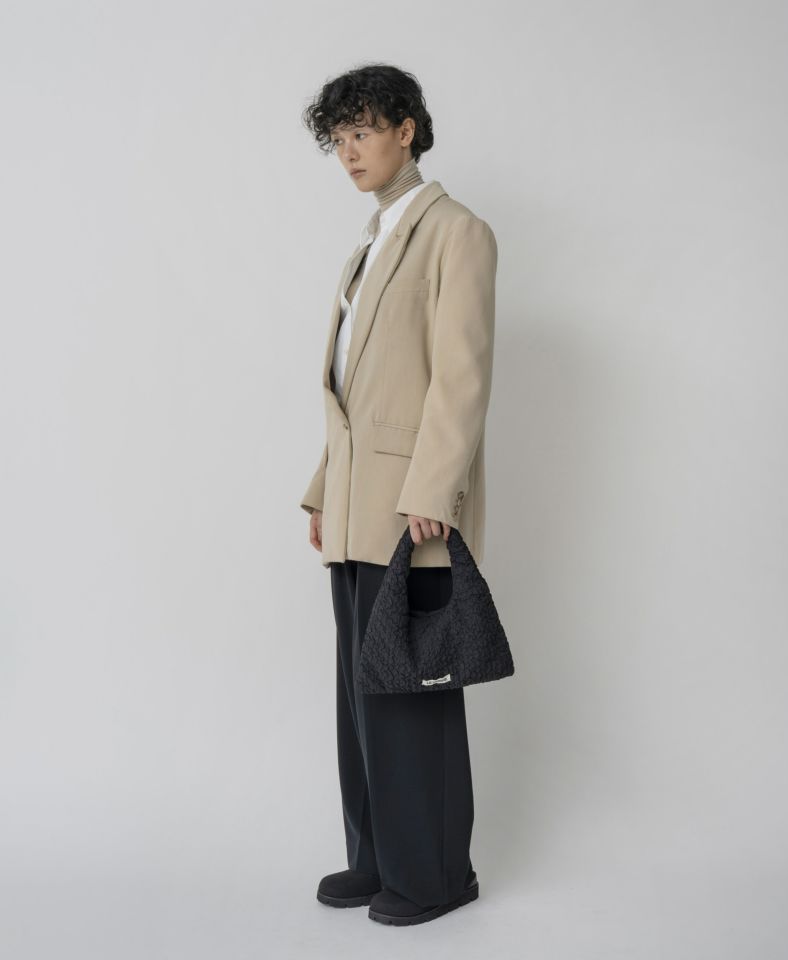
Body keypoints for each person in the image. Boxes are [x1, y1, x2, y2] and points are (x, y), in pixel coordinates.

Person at [298, 63, 498, 926]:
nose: (349, 152)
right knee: (363, 691)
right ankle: (377, 860)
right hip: (355, 506)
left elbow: (461, 378)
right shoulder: (369, 242)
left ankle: (437, 878)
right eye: (338, 139)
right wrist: (322, 493)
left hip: (412, 508)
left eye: (363, 132)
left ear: (406, 130)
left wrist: (435, 492)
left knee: (413, 691)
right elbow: (352, 389)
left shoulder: (457, 232)